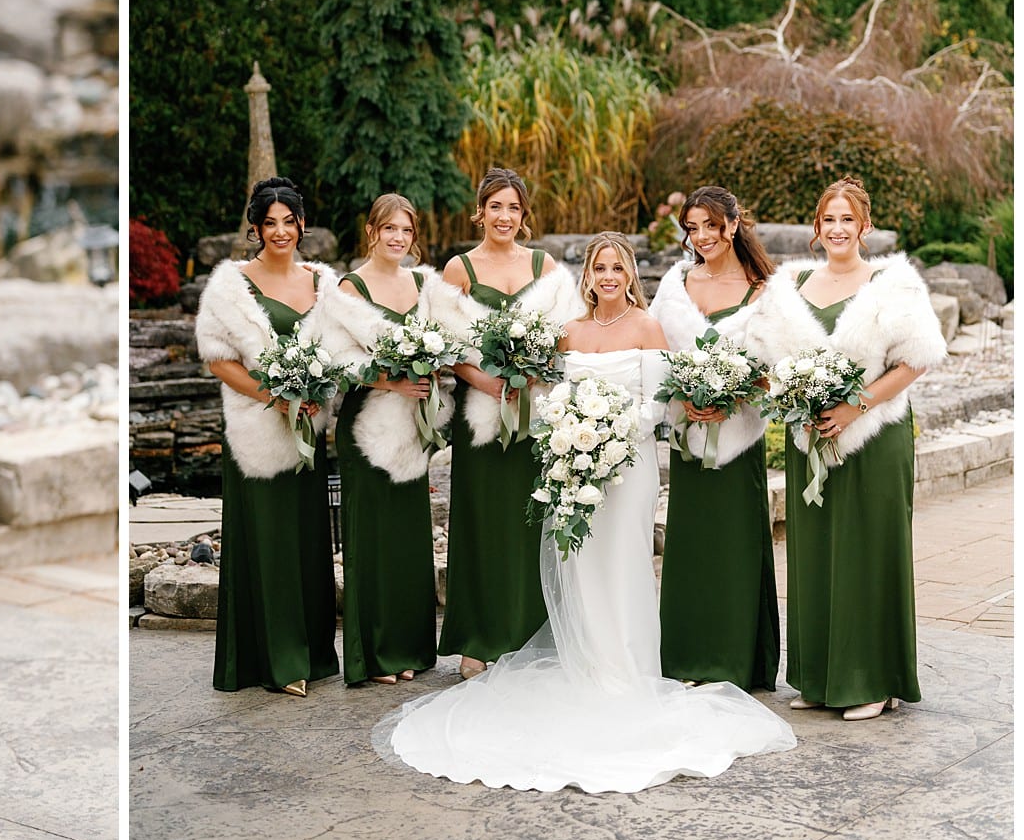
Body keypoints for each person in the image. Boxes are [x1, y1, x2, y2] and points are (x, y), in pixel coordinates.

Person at [384, 235, 795, 793]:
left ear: (629, 274)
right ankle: (587, 664)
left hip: (629, 466)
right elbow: (551, 398)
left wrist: (610, 435)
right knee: (578, 561)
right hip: (573, 467)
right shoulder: (569, 332)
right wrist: (572, 440)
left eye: (617, 268)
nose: (608, 276)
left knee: (624, 561)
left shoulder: (649, 328)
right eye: (599, 267)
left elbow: (659, 405)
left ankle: (629, 670)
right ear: (588, 275)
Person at [739, 178, 946, 721]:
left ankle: (873, 681)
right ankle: (821, 678)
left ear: (864, 227)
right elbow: (759, 361)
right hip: (812, 438)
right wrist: (789, 397)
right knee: (816, 555)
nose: (837, 230)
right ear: (817, 227)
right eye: (828, 220)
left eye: (847, 221)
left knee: (869, 552)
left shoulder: (892, 283)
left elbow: (916, 360)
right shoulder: (790, 287)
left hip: (874, 437)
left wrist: (856, 406)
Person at [194, 177, 341, 697]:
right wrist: (274, 397)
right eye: (270, 222)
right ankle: (278, 661)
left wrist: (318, 392)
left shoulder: (323, 282)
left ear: (302, 225)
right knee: (269, 541)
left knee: (305, 543)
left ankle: (314, 653)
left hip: (308, 434)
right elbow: (217, 359)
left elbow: (343, 351)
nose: (281, 231)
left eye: (289, 220)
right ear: (255, 228)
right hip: (258, 432)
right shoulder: (231, 284)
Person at [437, 168, 582, 680]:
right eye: (495, 207)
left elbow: (567, 338)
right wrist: (488, 383)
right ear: (480, 212)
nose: (504, 217)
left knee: (532, 522)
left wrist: (535, 375)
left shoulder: (545, 268)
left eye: (513, 208)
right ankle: (478, 639)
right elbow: (447, 347)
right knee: (480, 522)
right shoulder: (458, 270)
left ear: (524, 215)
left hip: (535, 418)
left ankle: (531, 633)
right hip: (481, 418)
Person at [311, 193, 460, 686]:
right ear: (371, 232)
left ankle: (410, 649)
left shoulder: (424, 284)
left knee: (408, 539)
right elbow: (335, 358)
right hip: (366, 427)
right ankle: (374, 656)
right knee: (371, 539)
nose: (398, 238)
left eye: (406, 231)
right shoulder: (348, 289)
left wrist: (433, 365)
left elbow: (451, 337)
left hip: (412, 430)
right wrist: (390, 380)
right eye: (389, 229)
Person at [647, 185, 779, 691]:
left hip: (740, 438)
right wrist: (686, 400)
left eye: (709, 225)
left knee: (736, 543)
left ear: (732, 223)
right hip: (690, 436)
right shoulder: (676, 285)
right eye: (692, 228)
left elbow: (776, 367)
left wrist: (734, 393)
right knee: (691, 542)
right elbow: (656, 355)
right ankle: (686, 656)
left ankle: (733, 661)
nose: (701, 237)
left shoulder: (763, 288)